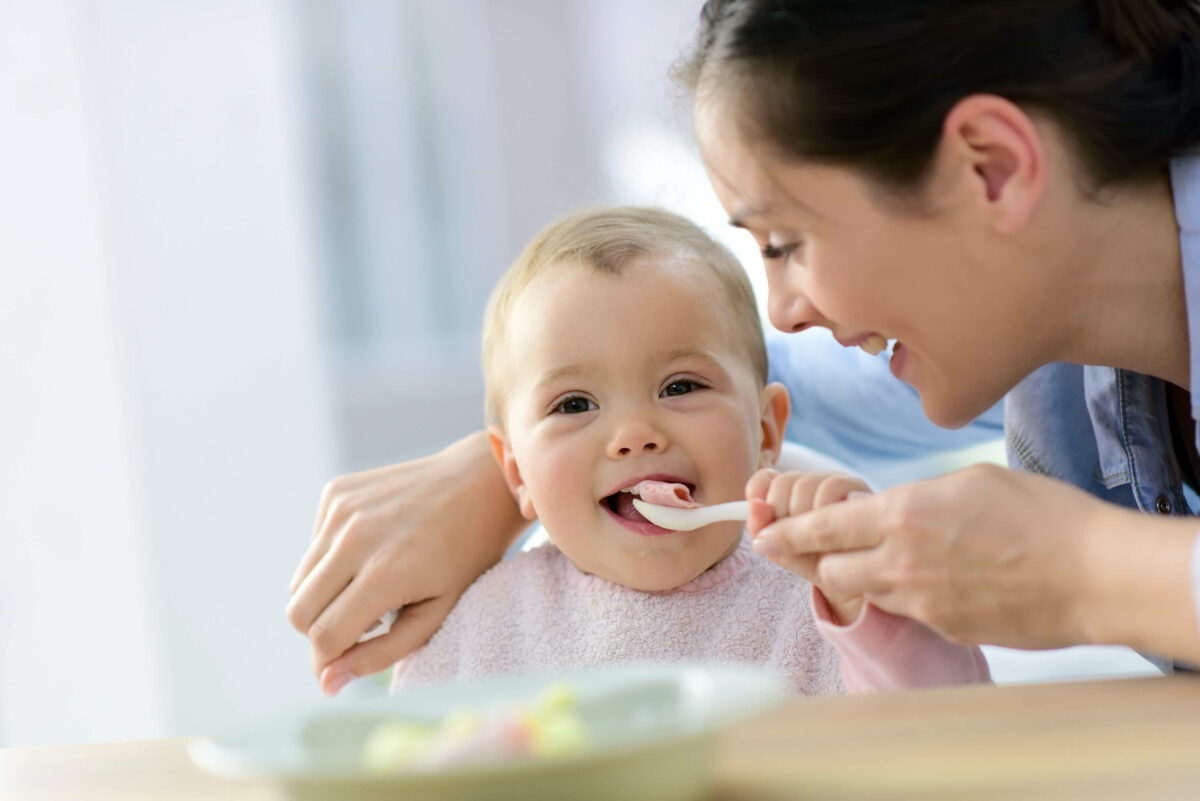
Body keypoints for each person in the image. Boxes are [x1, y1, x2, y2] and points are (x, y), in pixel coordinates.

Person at [286, 0, 1200, 694]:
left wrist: (1085, 571)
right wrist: (501, 477)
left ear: (989, 169)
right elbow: (754, 380)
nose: (785, 308)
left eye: (785, 241)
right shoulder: (1035, 347)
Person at [387, 205, 987, 695]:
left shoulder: (824, 594)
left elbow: (957, 740)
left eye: (681, 387)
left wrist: (875, 609)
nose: (635, 433)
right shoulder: (480, 630)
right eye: (574, 405)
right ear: (515, 471)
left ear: (766, 433)